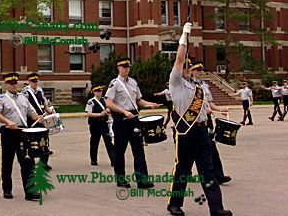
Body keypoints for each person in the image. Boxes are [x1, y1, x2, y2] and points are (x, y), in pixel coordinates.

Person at [166, 23, 232, 216]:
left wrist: (216, 111)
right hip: (185, 131)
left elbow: (207, 108)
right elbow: (179, 58)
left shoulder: (200, 87)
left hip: (202, 131)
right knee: (182, 171)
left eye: (189, 66)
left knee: (207, 170)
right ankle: (174, 204)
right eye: (186, 65)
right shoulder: (176, 82)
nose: (187, 67)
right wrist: (185, 35)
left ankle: (216, 209)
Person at [105, 57, 160, 189]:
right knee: (120, 150)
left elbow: (138, 100)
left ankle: (142, 180)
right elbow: (108, 102)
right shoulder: (115, 83)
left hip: (133, 119)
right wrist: (123, 111)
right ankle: (121, 179)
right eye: (123, 67)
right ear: (118, 68)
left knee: (138, 149)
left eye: (128, 66)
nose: (126, 69)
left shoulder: (133, 82)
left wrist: (149, 104)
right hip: (121, 120)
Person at [0, 72, 44, 201]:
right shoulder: (0, 98)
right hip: (8, 132)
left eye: (15, 83)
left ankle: (30, 191)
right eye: (11, 84)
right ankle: (7, 189)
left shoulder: (23, 98)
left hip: (23, 132)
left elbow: (31, 112)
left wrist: (38, 118)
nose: (14, 86)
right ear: (6, 85)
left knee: (27, 161)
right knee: (7, 162)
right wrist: (7, 121)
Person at [190, 60, 232, 186]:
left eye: (202, 70)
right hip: (194, 121)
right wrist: (202, 109)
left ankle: (218, 175)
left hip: (207, 120)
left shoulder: (205, 85)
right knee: (194, 151)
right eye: (198, 70)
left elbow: (210, 103)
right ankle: (186, 174)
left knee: (212, 148)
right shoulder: (189, 86)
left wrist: (220, 109)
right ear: (192, 71)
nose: (201, 72)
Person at [23, 73, 53, 170]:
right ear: (29, 82)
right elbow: (24, 108)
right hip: (31, 121)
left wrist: (51, 112)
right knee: (32, 142)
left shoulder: (40, 91)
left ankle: (44, 163)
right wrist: (34, 117)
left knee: (44, 141)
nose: (35, 83)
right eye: (33, 82)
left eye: (36, 81)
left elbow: (44, 105)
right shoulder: (25, 92)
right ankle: (31, 162)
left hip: (42, 119)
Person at [85, 84, 115, 166]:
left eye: (101, 91)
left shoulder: (104, 100)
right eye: (98, 91)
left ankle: (114, 160)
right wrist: (99, 114)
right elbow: (89, 113)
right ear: (94, 92)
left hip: (104, 124)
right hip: (94, 124)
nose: (100, 92)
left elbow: (108, 108)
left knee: (108, 141)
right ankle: (93, 160)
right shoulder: (91, 101)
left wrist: (107, 110)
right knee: (94, 142)